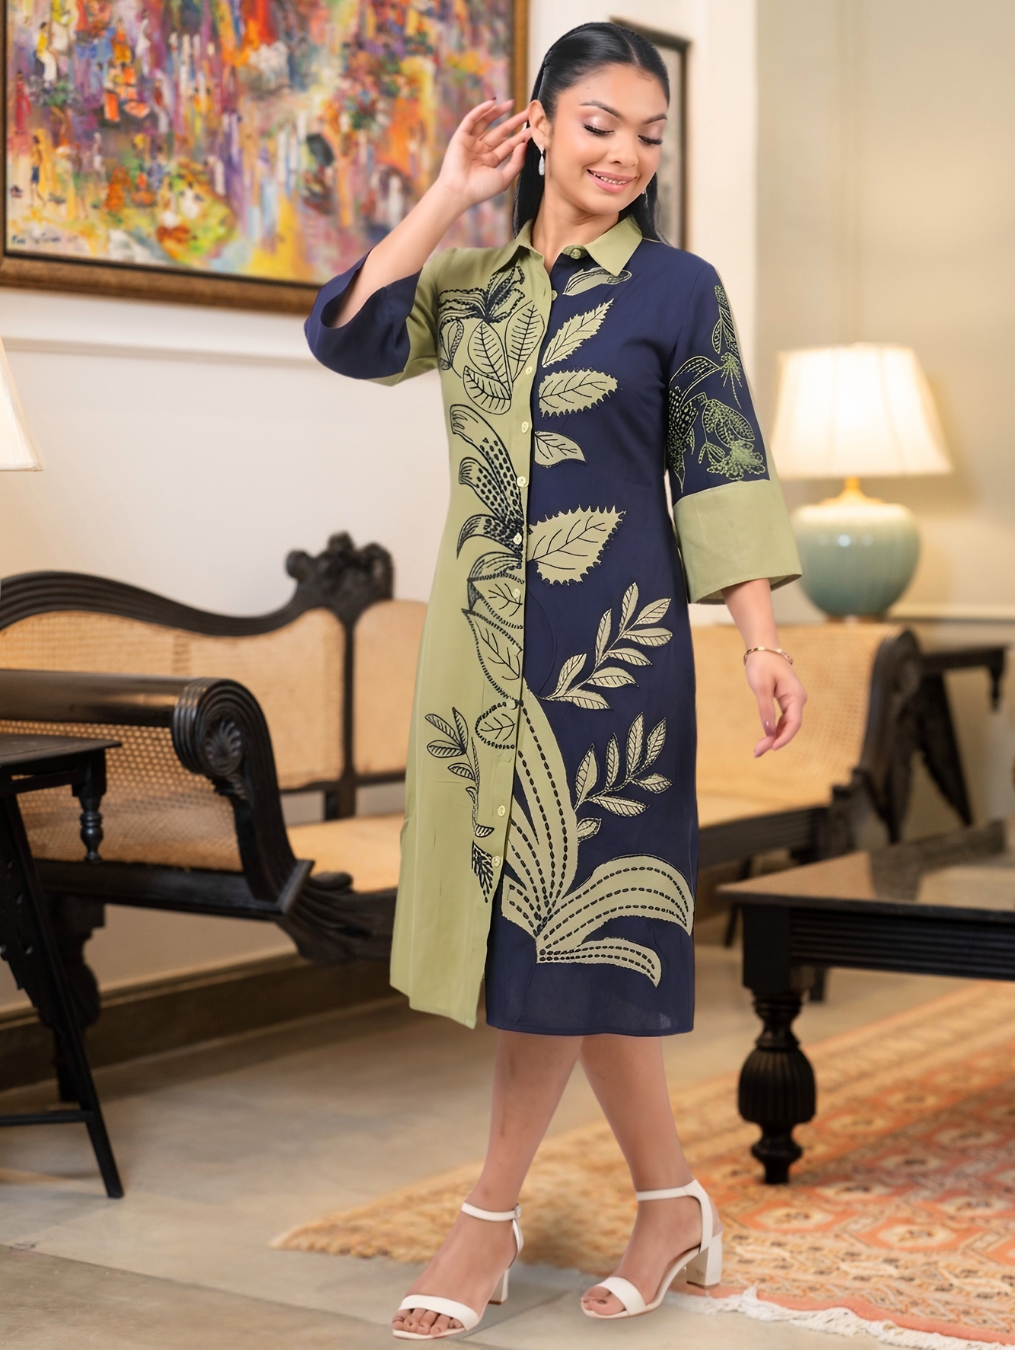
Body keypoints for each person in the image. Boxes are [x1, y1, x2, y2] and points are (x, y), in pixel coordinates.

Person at [305, 21, 807, 1341]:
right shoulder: (466, 284)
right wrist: (448, 194)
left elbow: (721, 463)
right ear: (538, 125)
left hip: (612, 658)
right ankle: (672, 1205)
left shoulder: (678, 290)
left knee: (558, 928)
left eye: (650, 135)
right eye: (599, 125)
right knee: (558, 949)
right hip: (477, 662)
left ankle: (487, 1215)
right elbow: (346, 336)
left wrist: (759, 638)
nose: (626, 154)